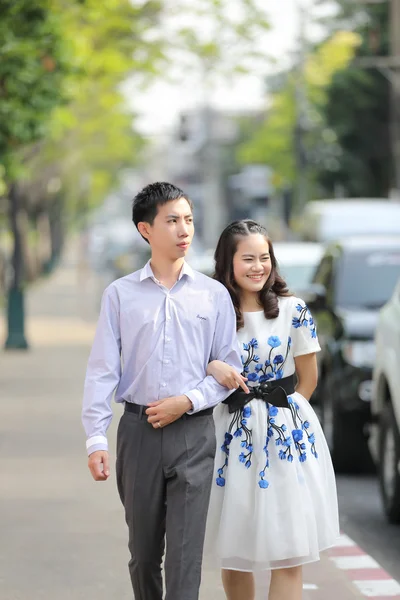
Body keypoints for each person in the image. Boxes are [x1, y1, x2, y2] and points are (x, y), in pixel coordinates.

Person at [81, 182, 244, 600]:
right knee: (143, 553)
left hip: (194, 436)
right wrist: (96, 438)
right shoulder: (120, 295)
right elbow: (102, 370)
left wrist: (186, 402)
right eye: (171, 220)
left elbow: (229, 370)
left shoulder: (214, 295)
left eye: (188, 219)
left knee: (185, 557)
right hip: (138, 434)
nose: (183, 229)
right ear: (145, 229)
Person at [205, 220, 340, 600]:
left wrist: (282, 419)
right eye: (247, 258)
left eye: (264, 257)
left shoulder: (293, 310)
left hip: (286, 440)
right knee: (234, 552)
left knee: (289, 551)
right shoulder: (214, 313)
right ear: (227, 263)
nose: (257, 267)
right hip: (231, 440)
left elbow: (307, 379)